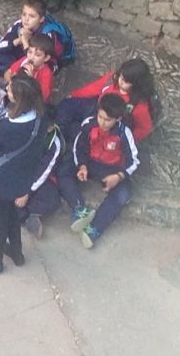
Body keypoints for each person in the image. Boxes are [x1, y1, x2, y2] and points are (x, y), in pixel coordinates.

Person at [0, 74, 49, 274]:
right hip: (23, 176)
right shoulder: (40, 116)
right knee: (11, 214)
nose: (6, 90)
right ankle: (16, 252)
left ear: (19, 98)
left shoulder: (8, 126)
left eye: (10, 89)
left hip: (1, 179)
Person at [56, 94, 140, 248]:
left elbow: (133, 160)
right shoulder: (89, 124)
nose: (102, 122)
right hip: (90, 162)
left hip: (111, 169)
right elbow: (79, 147)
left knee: (123, 193)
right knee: (63, 171)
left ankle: (94, 229)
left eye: (107, 120)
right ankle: (80, 210)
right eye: (100, 117)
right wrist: (82, 165)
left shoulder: (124, 133)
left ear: (118, 119)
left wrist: (119, 176)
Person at [55, 57, 155, 143]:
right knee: (66, 105)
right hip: (96, 107)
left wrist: (125, 140)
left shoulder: (138, 105)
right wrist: (74, 95)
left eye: (126, 81)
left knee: (80, 133)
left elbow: (144, 128)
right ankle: (58, 131)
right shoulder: (111, 79)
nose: (121, 81)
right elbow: (93, 88)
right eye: (121, 77)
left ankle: (61, 138)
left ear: (136, 84)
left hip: (108, 124)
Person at [0, 0, 63, 76]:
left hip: (38, 62)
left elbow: (36, 59)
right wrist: (19, 40)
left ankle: (3, 70)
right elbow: (0, 44)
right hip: (22, 53)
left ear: (41, 19)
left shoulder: (46, 34)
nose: (26, 19)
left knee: (24, 69)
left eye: (32, 16)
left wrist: (25, 42)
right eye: (24, 14)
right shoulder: (19, 24)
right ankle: (9, 67)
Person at [3, 33, 55, 102]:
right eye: (30, 52)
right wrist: (12, 83)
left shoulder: (46, 73)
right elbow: (7, 73)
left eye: (37, 55)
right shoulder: (25, 60)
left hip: (31, 101)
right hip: (16, 94)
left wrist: (31, 80)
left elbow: (43, 97)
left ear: (46, 58)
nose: (31, 57)